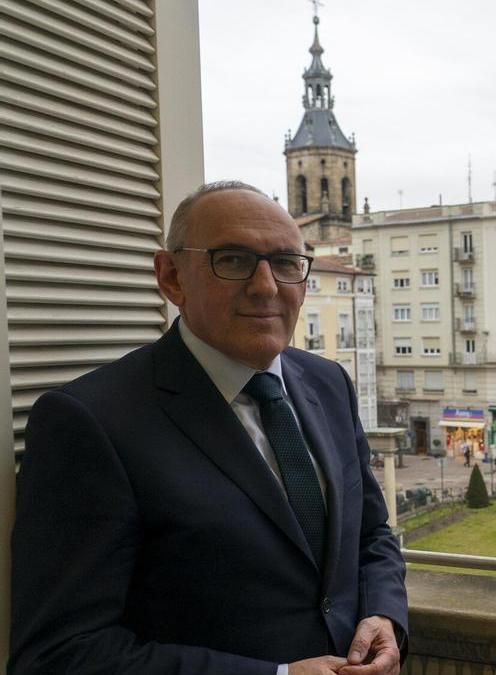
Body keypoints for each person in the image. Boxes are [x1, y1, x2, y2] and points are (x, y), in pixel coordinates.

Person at [9, 182, 408, 674]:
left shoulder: (329, 383)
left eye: (286, 263)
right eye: (234, 260)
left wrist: (384, 614)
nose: (266, 286)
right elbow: (58, 654)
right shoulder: (89, 422)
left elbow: (371, 535)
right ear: (171, 277)